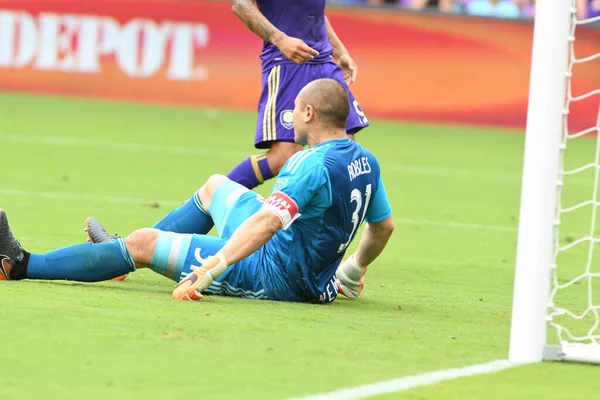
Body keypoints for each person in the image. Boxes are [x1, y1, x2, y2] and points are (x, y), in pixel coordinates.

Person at [0, 79, 393, 303]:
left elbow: (269, 224)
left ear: (309, 114)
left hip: (273, 274)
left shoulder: (308, 164)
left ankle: (18, 264)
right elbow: (383, 227)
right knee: (215, 186)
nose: (290, 115)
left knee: (143, 244)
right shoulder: (368, 160)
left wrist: (211, 268)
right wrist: (352, 274)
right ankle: (116, 255)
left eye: (295, 109)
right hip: (311, 274)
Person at [225, 0, 369, 190]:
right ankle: (212, 197)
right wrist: (280, 39)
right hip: (286, 62)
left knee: (343, 152)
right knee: (283, 156)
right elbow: (241, 5)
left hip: (324, 60)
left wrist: (340, 51)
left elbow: (312, 12)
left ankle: (317, 217)